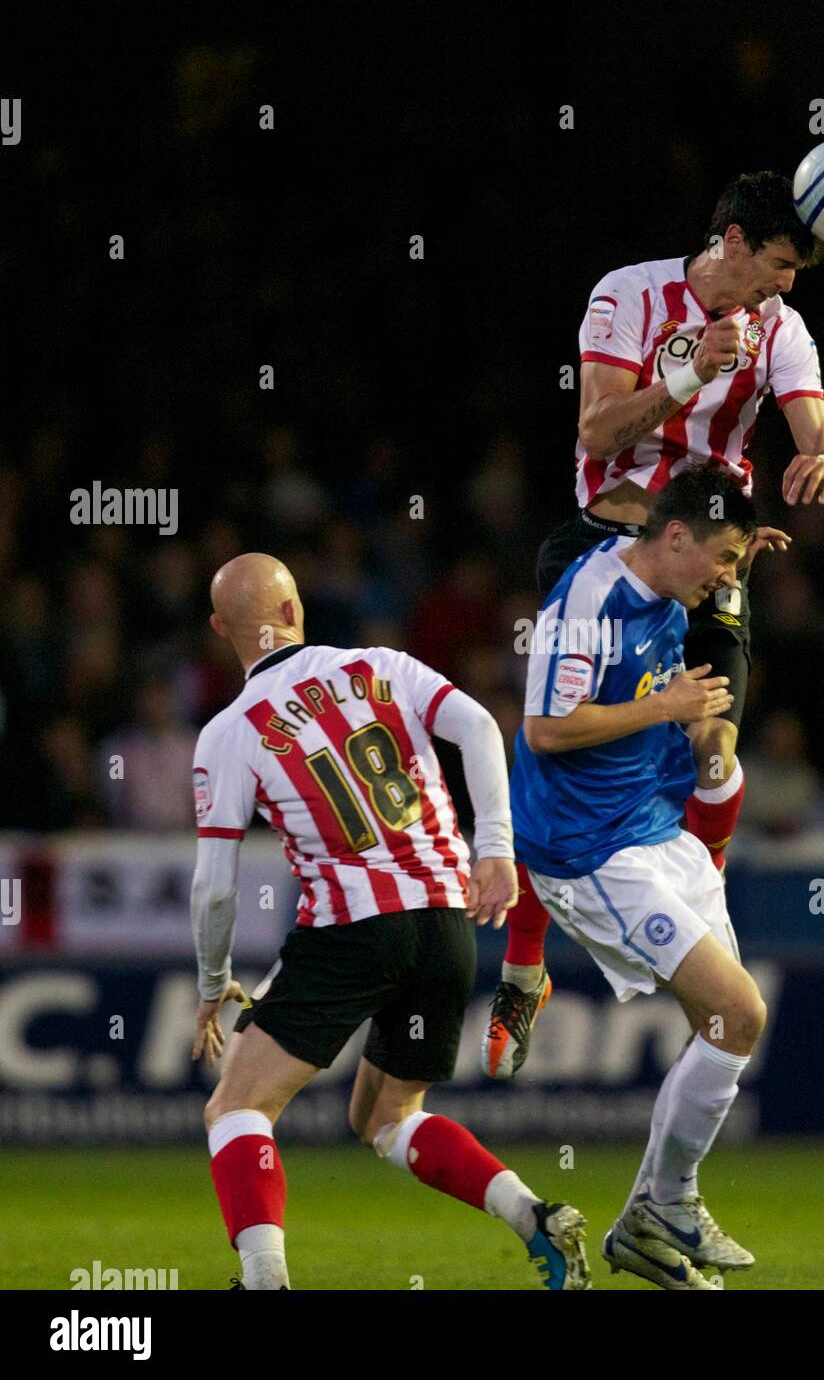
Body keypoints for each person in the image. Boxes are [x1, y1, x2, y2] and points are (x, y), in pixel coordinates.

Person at [483, 171, 824, 1078]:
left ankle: (697, 910)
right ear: (730, 241)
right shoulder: (628, 295)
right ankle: (525, 966)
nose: (787, 284)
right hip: (604, 545)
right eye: (778, 263)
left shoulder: (782, 330)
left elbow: (813, 429)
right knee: (560, 748)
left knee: (713, 740)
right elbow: (599, 434)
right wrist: (692, 371)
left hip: (708, 561)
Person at [189, 552, 590, 1289]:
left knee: (238, 1105)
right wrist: (493, 847)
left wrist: (214, 982)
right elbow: (476, 727)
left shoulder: (230, 729)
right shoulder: (382, 665)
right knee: (384, 1116)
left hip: (354, 928)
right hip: (445, 922)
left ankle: (263, 1280)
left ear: (221, 628)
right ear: (293, 609)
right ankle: (536, 1216)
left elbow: (215, 887)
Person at [508, 468, 769, 1289]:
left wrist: (699, 737)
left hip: (659, 827)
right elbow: (546, 729)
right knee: (739, 1011)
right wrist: (666, 709)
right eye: (721, 559)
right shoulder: (587, 601)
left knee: (718, 1030)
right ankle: (669, 1204)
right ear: (677, 536)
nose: (726, 579)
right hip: (593, 852)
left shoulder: (668, 586)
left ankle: (644, 1225)